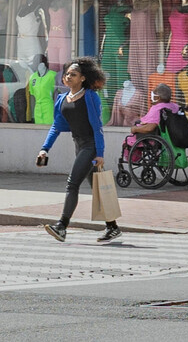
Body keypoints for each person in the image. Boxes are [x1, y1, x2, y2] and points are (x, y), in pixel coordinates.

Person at [37, 58, 120, 243]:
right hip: (79, 144)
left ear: (83, 78)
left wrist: (100, 153)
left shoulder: (90, 96)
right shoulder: (61, 99)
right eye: (67, 74)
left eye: (73, 74)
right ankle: (112, 227)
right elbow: (56, 127)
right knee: (97, 187)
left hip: (90, 146)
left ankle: (62, 226)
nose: (68, 76)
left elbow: (97, 126)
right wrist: (44, 149)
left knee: (72, 184)